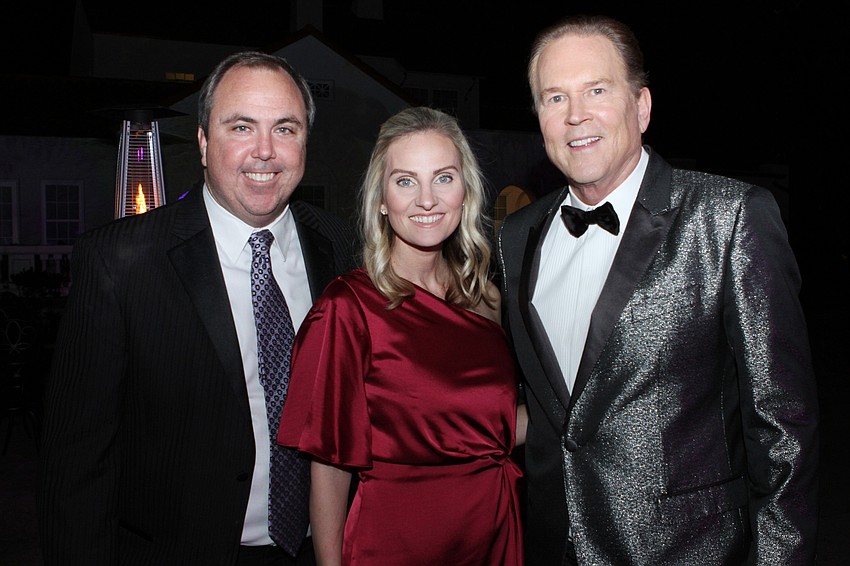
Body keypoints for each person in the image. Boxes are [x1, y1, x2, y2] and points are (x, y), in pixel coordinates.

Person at [498, 14, 818, 565]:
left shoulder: (729, 217)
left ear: (641, 107)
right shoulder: (516, 235)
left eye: (597, 90)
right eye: (554, 98)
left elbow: (783, 428)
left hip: (689, 551)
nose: (576, 115)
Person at [39, 51, 354, 565]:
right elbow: (76, 465)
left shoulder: (343, 247)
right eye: (241, 127)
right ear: (205, 143)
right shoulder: (121, 261)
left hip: (320, 550)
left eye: (286, 129)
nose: (265, 152)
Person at [277, 106, 525, 565]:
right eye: (406, 181)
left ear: (466, 191)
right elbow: (330, 471)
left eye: (444, 178)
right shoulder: (348, 308)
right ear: (381, 199)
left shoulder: (486, 298)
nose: (426, 199)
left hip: (492, 535)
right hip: (396, 543)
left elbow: (492, 424)